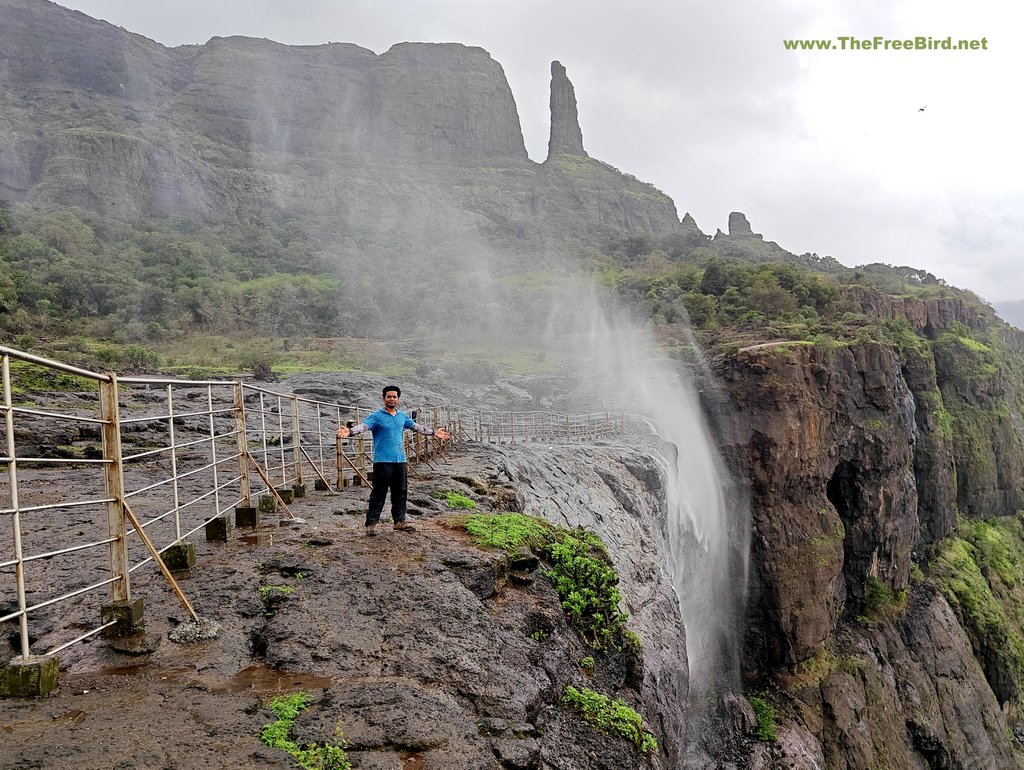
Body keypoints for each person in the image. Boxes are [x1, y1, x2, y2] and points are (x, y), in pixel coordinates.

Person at [337, 385, 450, 537]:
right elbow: (364, 426)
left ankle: (399, 522)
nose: (392, 399)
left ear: (398, 399)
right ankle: (371, 524)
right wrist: (350, 432)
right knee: (379, 493)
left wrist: (434, 432)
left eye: (394, 397)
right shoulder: (376, 416)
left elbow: (416, 427)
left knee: (401, 492)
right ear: (384, 398)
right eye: (389, 396)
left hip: (400, 461)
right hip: (382, 462)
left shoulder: (402, 416)